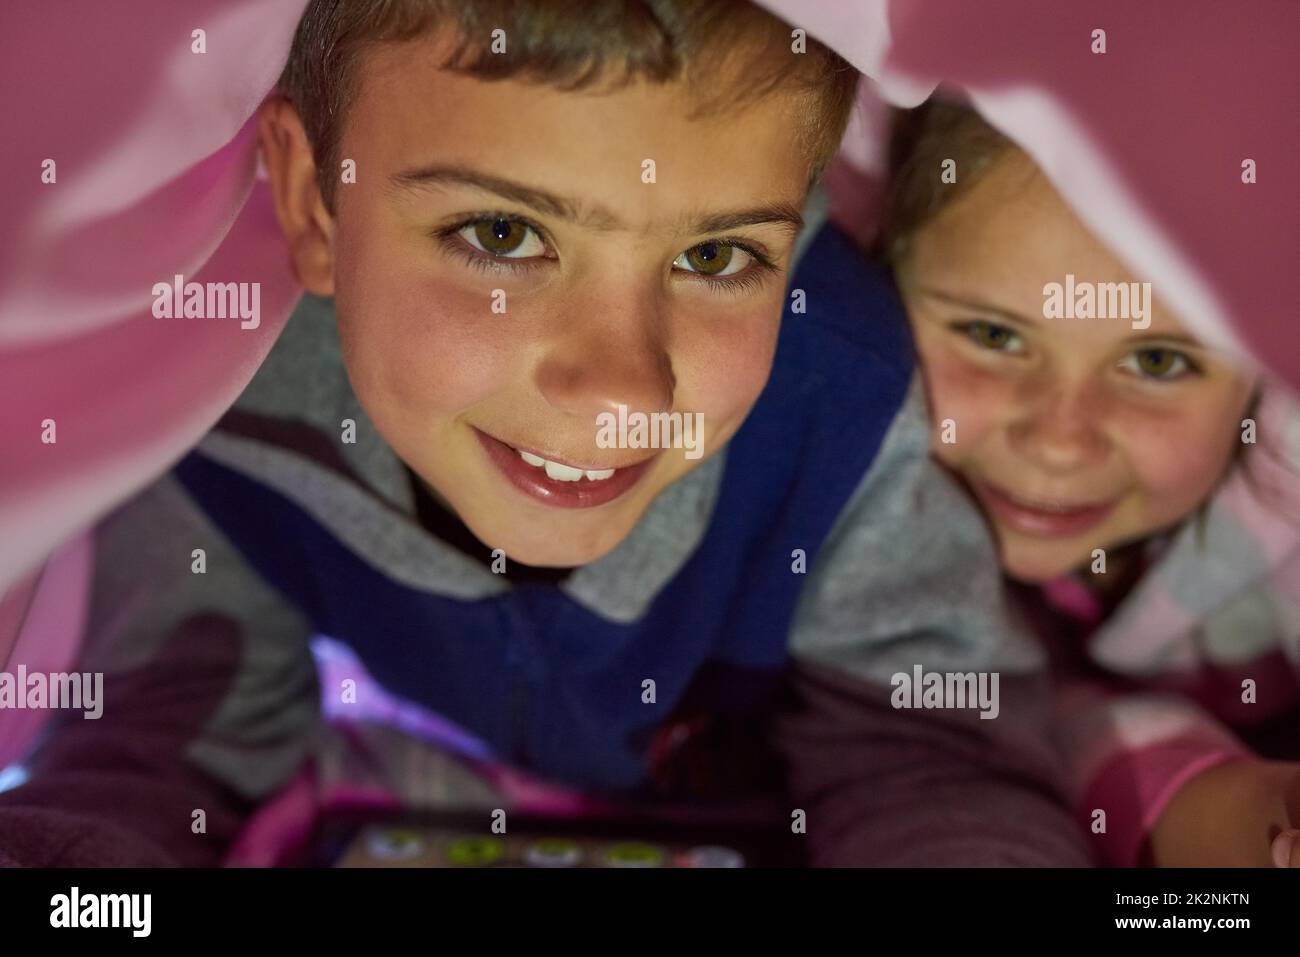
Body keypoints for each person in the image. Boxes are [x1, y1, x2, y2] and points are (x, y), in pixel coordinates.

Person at [0, 2, 1086, 868]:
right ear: (310, 202)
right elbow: (163, 731)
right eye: (502, 233)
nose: (617, 383)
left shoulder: (839, 403)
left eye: (715, 257)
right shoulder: (223, 396)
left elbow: (926, 757)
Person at [885, 98, 1300, 867]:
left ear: (1263, 386)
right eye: (993, 334)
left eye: (1156, 361)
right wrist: (1222, 814)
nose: (1058, 442)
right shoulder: (852, 498)